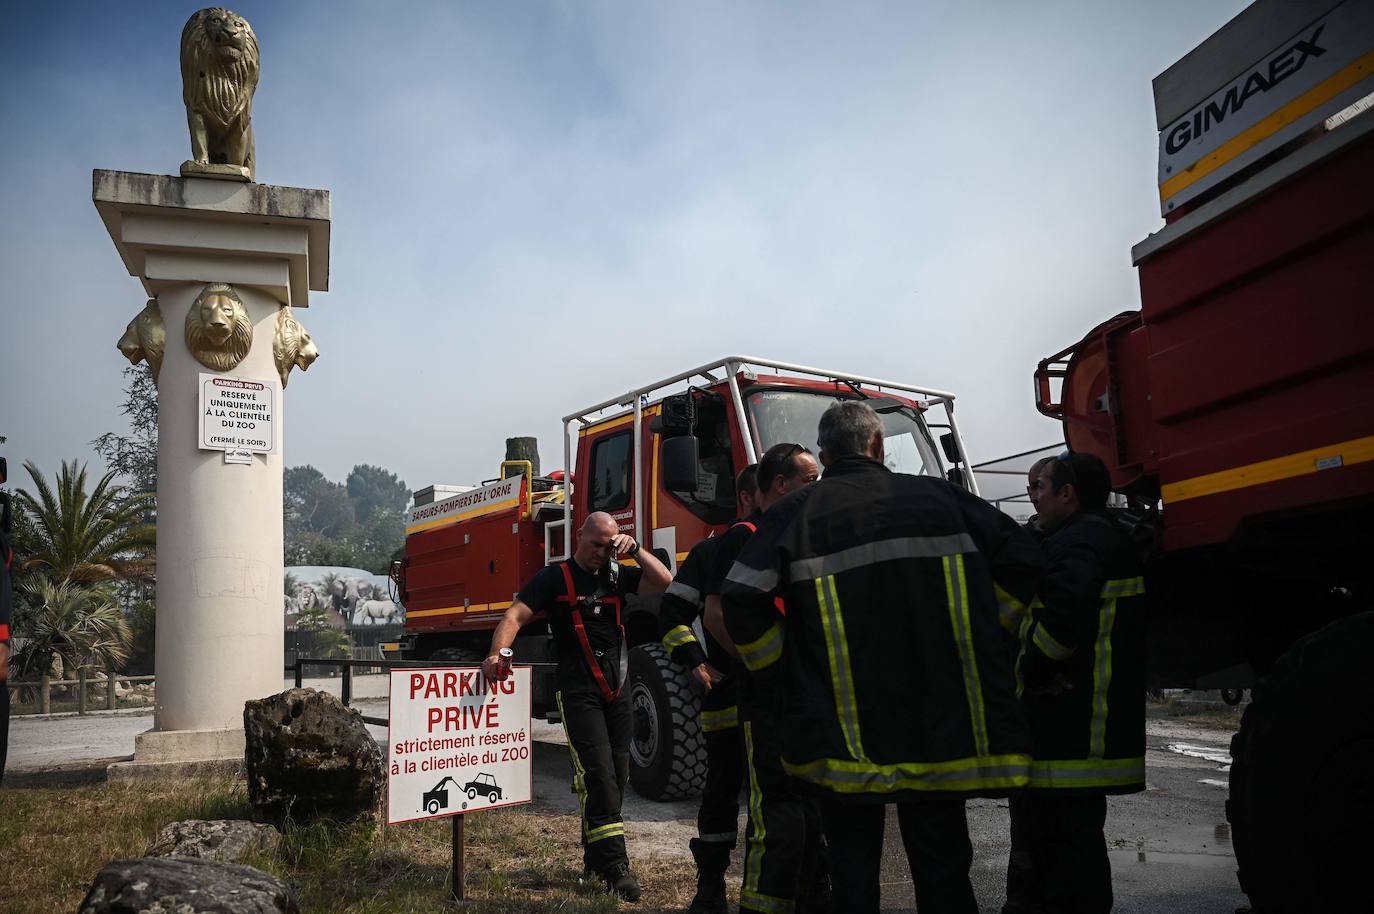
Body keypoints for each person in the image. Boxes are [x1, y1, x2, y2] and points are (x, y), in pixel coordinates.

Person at [722, 401, 1044, 914]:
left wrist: (782, 668)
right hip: (939, 724)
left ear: (824, 455)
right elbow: (1028, 560)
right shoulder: (944, 498)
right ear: (877, 446)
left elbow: (741, 596)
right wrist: (989, 633)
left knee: (854, 876)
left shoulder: (795, 512)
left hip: (845, 731)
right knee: (945, 872)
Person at [482, 511, 670, 901]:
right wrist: (498, 653)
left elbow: (664, 582)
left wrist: (635, 551)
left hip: (618, 691)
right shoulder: (555, 578)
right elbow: (515, 615)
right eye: (594, 543)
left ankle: (595, 855)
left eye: (608, 545)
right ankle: (617, 867)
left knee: (618, 777)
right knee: (599, 776)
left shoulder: (618, 575)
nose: (601, 552)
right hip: (578, 693)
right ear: (578, 537)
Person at [1010, 451, 1146, 914]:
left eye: (1039, 488)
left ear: (1067, 493)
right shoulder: (1086, 536)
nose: (1033, 500)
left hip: (1074, 719)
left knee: (1065, 849)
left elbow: (1058, 625)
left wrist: (1029, 673)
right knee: (1063, 841)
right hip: (1077, 718)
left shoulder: (1082, 542)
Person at [706, 442, 829, 914]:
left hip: (806, 697)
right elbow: (718, 612)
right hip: (770, 697)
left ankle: (811, 894)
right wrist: (764, 664)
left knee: (811, 808)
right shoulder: (746, 536)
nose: (819, 490)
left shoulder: (805, 530)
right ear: (781, 485)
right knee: (774, 813)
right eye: (810, 481)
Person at [657, 464, 759, 914]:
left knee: (771, 801)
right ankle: (711, 888)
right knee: (721, 795)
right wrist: (694, 660)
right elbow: (671, 613)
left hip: (772, 703)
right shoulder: (713, 552)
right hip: (727, 701)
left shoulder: (787, 545)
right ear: (746, 499)